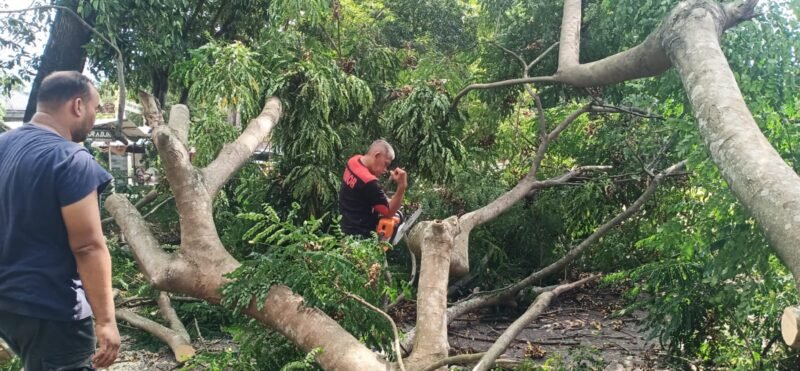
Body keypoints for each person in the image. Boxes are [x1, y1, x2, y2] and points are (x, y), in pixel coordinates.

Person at [0, 71, 120, 370]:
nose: (94, 117)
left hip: (8, 304)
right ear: (77, 106)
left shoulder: (3, 146)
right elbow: (88, 246)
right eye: (95, 108)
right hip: (53, 306)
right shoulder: (70, 158)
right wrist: (106, 321)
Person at [339, 139, 408, 238]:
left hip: (344, 227)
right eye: (386, 164)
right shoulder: (369, 181)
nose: (385, 170)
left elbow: (365, 195)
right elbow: (389, 212)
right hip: (359, 237)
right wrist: (402, 186)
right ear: (377, 155)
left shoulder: (353, 161)